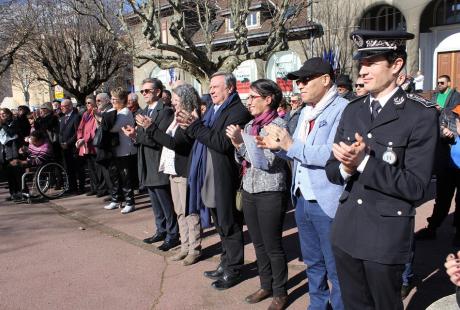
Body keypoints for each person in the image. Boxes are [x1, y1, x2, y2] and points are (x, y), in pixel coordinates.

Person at [325, 30, 438, 310]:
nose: (362, 71)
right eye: (361, 63)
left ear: (396, 64)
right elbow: (331, 169)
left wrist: (363, 162)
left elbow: (416, 186)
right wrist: (346, 168)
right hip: (346, 231)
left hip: (384, 237)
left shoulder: (420, 115)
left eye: (371, 62)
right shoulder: (353, 110)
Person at [257, 57, 347, 310]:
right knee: (312, 262)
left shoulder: (343, 109)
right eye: (298, 81)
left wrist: (289, 145)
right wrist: (276, 148)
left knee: (335, 267)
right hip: (302, 199)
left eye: (306, 80)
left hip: (327, 200)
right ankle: (317, 305)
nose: (300, 85)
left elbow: (333, 154)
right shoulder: (305, 111)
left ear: (326, 80)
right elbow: (295, 152)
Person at [176, 72, 252, 290]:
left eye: (216, 87)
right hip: (209, 174)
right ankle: (225, 262)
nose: (211, 90)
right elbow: (202, 133)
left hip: (225, 175)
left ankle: (234, 269)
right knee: (219, 223)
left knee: (230, 223)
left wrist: (195, 126)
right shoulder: (213, 108)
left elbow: (222, 143)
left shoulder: (237, 110)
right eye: (210, 87)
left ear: (229, 89)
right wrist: (189, 126)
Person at [226, 79, 289, 309]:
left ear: (268, 99)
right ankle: (266, 285)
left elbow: (269, 162)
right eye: (248, 97)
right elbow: (242, 160)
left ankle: (281, 292)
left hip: (271, 190)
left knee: (273, 245)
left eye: (253, 97)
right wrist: (237, 145)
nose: (248, 101)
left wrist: (240, 144)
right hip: (250, 189)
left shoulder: (278, 125)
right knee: (258, 244)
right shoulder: (251, 125)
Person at [141, 84, 202, 265]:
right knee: (179, 212)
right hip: (173, 169)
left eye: (176, 99)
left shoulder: (190, 117)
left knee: (190, 212)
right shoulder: (177, 117)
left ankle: (194, 249)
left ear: (185, 99)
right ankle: (184, 247)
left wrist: (151, 128)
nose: (173, 102)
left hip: (184, 170)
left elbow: (176, 143)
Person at [122, 78, 179, 251]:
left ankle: (173, 234)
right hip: (145, 160)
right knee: (154, 199)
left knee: (165, 200)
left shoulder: (165, 111)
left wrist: (136, 135)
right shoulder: (144, 111)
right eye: (142, 91)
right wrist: (135, 134)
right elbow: (145, 135)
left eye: (147, 91)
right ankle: (161, 229)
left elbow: (158, 138)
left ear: (158, 92)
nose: (144, 94)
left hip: (158, 160)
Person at [416, 103, 460, 245]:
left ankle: (458, 233)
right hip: (447, 166)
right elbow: (437, 130)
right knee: (442, 200)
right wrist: (444, 131)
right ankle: (432, 228)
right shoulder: (449, 113)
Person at [103, 88, 137, 214]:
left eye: (114, 99)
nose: (112, 101)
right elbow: (104, 118)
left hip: (125, 150)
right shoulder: (114, 110)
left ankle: (130, 202)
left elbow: (113, 128)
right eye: (111, 98)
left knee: (125, 177)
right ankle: (116, 199)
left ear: (122, 101)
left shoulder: (125, 112)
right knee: (115, 176)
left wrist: (103, 121)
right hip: (115, 149)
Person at [59, 99, 84, 194]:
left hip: (73, 147)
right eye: (61, 106)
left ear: (69, 106)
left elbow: (77, 132)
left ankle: (80, 187)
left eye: (63, 106)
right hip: (64, 148)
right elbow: (60, 133)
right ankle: (72, 187)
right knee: (68, 169)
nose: (61, 108)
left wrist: (68, 143)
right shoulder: (62, 118)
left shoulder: (76, 117)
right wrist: (61, 142)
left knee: (78, 168)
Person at [76, 96, 99, 196]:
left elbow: (93, 130)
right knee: (90, 167)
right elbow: (80, 128)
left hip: (92, 144)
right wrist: (79, 138)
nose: (87, 105)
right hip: (85, 144)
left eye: (89, 103)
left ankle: (99, 188)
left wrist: (84, 140)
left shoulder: (96, 113)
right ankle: (93, 188)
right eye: (86, 103)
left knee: (95, 167)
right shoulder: (85, 114)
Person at [0, 108, 22, 201]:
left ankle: (21, 192)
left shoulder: (14, 122)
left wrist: (3, 124)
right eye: (1, 114)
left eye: (4, 113)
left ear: (8, 114)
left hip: (13, 150)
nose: (2, 115)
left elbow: (12, 132)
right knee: (9, 175)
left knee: (16, 173)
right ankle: (13, 193)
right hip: (4, 151)